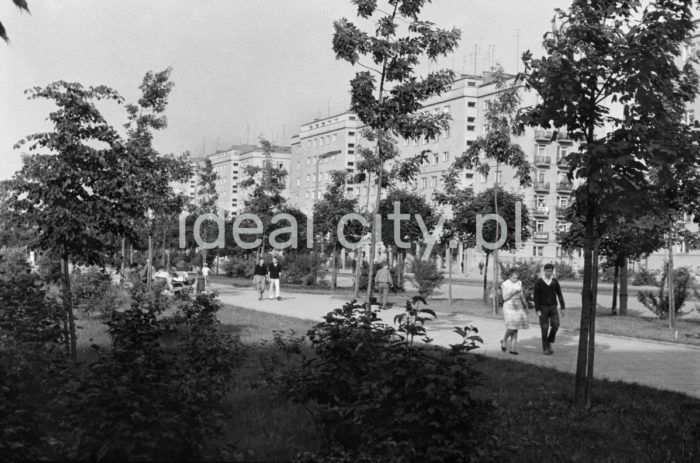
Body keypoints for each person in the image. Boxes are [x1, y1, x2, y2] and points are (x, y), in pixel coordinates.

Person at [534, 263, 566, 355]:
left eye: (550, 271)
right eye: (547, 271)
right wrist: (537, 309)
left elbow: (559, 294)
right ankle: (545, 348)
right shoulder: (539, 282)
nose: (548, 272)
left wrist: (563, 307)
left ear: (552, 271)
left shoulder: (554, 281)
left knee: (556, 325)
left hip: (553, 307)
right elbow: (536, 297)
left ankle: (549, 341)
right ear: (544, 271)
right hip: (543, 308)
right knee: (544, 328)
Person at [500, 269, 529, 355]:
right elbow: (504, 297)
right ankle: (504, 340)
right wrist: (513, 292)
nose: (515, 280)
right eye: (513, 278)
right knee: (512, 327)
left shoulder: (519, 283)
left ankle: (512, 349)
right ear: (509, 277)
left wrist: (526, 306)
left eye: (516, 278)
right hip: (509, 305)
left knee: (515, 329)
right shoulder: (505, 284)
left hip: (518, 305)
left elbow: (522, 296)